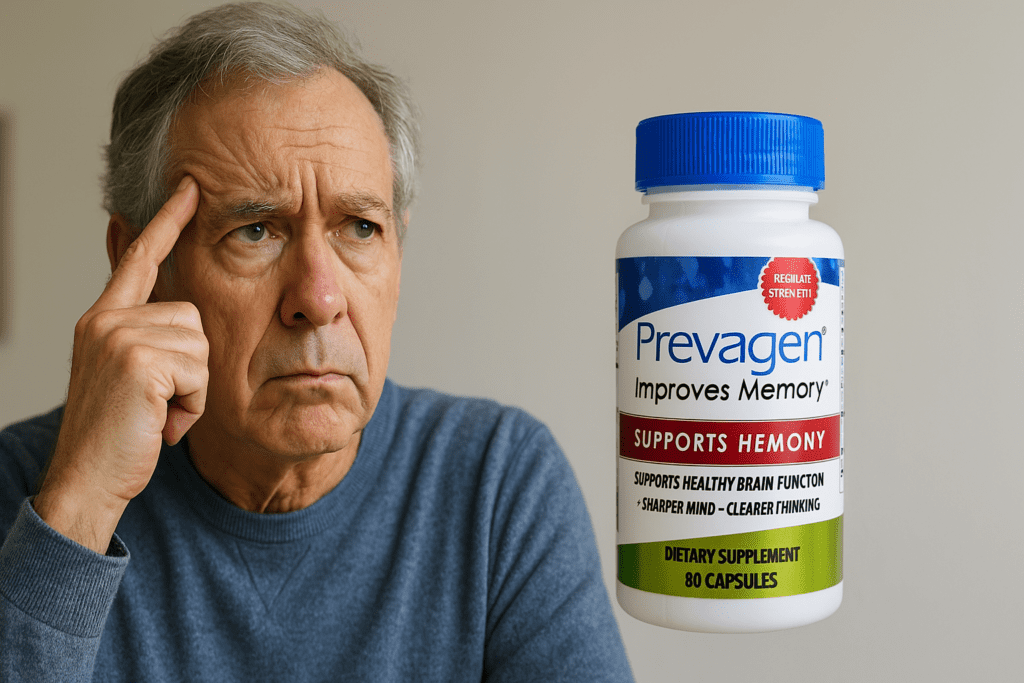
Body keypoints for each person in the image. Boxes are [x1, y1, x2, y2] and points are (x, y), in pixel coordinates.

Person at [0, 3, 633, 681]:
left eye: (359, 227)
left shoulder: (499, 483)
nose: (320, 299)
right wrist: (78, 510)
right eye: (254, 230)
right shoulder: (26, 488)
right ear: (140, 265)